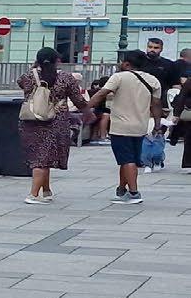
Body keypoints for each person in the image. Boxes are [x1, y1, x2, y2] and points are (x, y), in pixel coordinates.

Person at [17, 47, 90, 204]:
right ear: (57, 61)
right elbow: (78, 100)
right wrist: (88, 111)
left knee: (41, 156)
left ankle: (46, 190)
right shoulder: (66, 78)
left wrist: (35, 68)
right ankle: (33, 194)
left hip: (31, 120)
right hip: (56, 121)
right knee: (43, 159)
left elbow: (21, 83)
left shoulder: (27, 76)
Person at [93, 50, 162, 205]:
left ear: (126, 64)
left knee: (127, 160)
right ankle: (122, 189)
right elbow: (156, 104)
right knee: (128, 160)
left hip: (121, 127)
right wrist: (157, 124)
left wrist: (86, 107)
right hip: (140, 126)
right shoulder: (153, 80)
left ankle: (134, 193)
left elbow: (101, 94)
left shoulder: (119, 77)